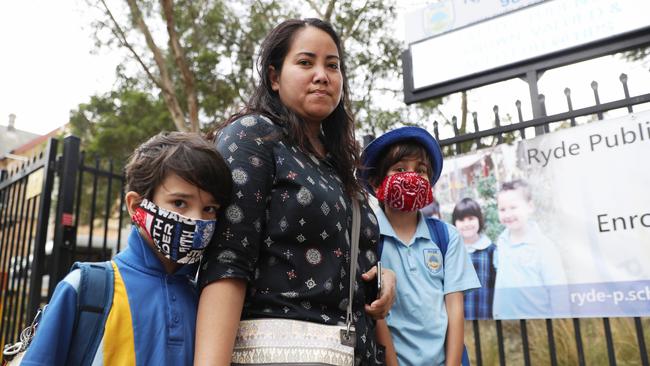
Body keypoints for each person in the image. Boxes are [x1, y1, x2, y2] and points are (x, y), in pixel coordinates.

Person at [195, 18, 395, 365]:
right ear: (274, 77)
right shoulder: (253, 137)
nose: (322, 74)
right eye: (306, 62)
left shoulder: (340, 167)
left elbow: (355, 278)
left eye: (332, 65)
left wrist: (381, 278)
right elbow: (228, 261)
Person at [20, 132, 232, 365]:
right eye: (179, 203)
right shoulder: (85, 287)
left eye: (210, 209)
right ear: (136, 206)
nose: (197, 219)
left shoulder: (209, 301)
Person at [360, 126, 480, 366]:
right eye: (400, 169)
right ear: (376, 183)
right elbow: (376, 312)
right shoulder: (368, 237)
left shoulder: (447, 237)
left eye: (421, 170)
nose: (411, 177)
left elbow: (455, 310)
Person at [492, 179, 569, 319]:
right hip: (505, 322)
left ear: (530, 207)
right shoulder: (501, 242)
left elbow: (558, 291)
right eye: (502, 209)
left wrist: (561, 322)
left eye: (513, 207)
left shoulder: (543, 246)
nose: (508, 214)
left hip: (536, 323)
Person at [452, 197, 497, 320]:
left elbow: (496, 286)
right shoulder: (451, 252)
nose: (466, 224)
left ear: (479, 220)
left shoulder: (491, 250)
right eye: (461, 220)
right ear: (455, 223)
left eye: (471, 219)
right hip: (458, 320)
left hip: (485, 316)